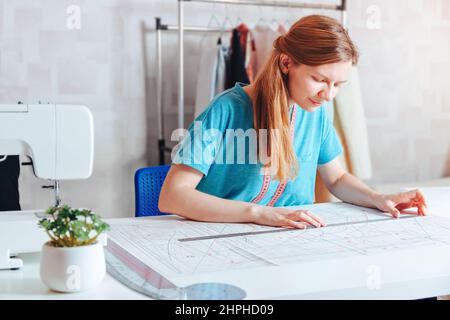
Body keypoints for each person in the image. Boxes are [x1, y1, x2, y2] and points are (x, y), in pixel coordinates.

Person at [159, 15, 427, 229]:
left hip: (290, 237)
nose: (328, 94)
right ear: (287, 63)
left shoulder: (317, 111)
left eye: (337, 85)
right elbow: (173, 196)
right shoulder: (226, 109)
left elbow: (336, 178)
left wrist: (379, 198)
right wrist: (259, 214)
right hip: (220, 238)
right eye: (320, 80)